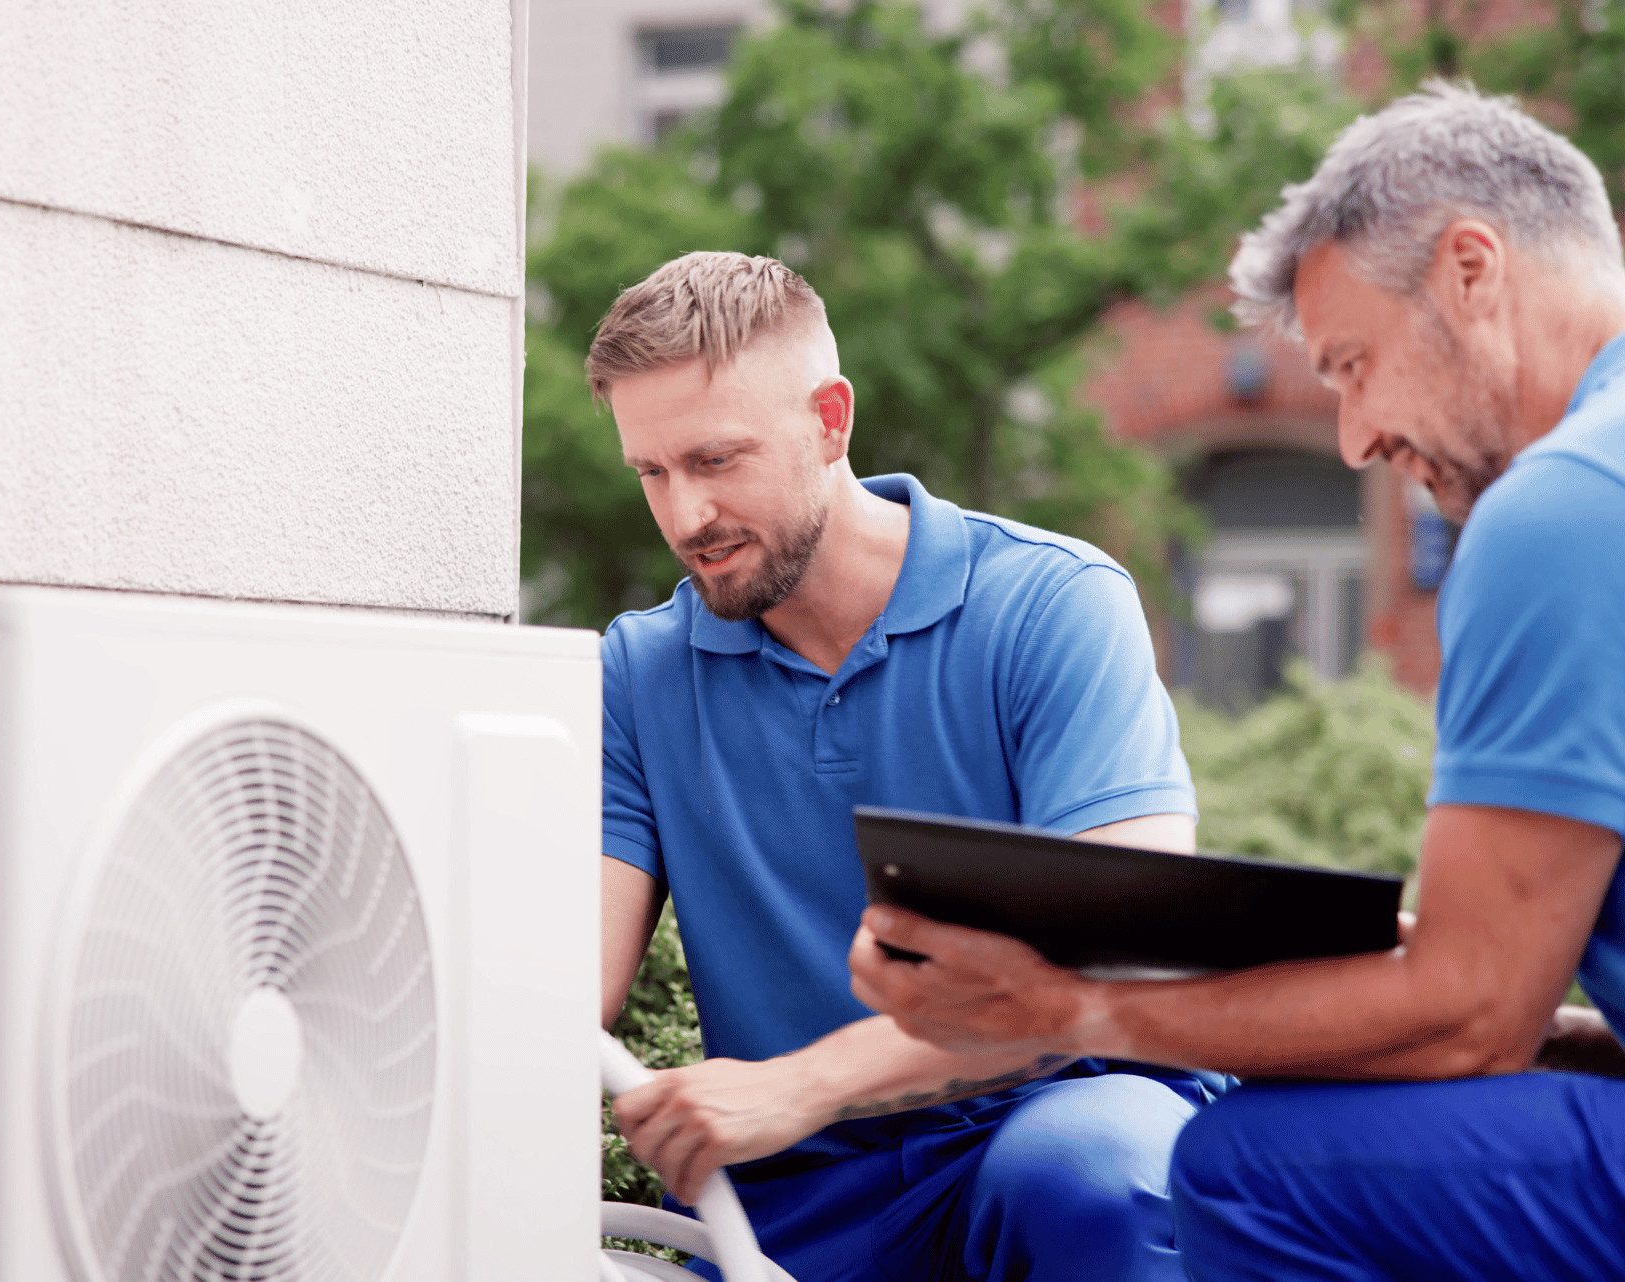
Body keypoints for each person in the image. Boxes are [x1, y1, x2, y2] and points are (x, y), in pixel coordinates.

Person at [848, 82, 1625, 1282]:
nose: (1357, 436)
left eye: (1355, 365)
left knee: (1246, 1162)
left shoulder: (1561, 507)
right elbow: (1509, 1007)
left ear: (1474, 270)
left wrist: (1067, 1010)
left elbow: (1474, 1014)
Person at [593, 250, 1221, 1282]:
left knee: (1085, 1171)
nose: (683, 517)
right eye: (652, 473)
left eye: (715, 461)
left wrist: (811, 1080)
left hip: (1050, 1126)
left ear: (830, 420)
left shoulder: (1052, 604)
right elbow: (568, 982)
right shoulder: (642, 669)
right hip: (792, 1190)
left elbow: (1125, 942)